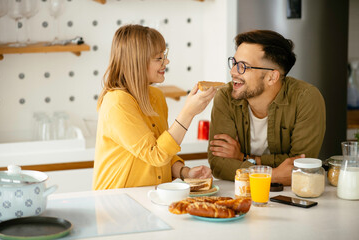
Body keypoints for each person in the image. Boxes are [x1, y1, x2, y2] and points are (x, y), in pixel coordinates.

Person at [93, 25, 216, 190]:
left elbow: (161, 150)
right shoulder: (117, 102)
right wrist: (188, 113)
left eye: (164, 56)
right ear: (137, 62)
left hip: (151, 198)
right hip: (117, 202)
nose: (166, 62)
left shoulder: (156, 96)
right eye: (159, 58)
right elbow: (155, 154)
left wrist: (184, 172)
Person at [208, 30, 326, 185]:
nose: (233, 71)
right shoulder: (226, 96)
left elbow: (298, 167)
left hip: (295, 196)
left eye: (243, 66)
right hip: (242, 193)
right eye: (234, 63)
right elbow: (219, 165)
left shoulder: (306, 98)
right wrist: (273, 175)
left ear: (272, 77)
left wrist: (243, 158)